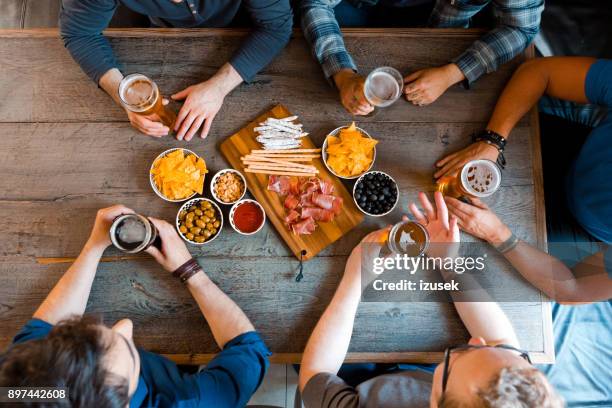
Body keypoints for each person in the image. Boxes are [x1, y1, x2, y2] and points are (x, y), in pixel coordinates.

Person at [298, 191, 563, 407]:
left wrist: (355, 276)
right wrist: (450, 264)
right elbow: (500, 341)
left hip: (359, 384)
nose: (477, 341)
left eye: (460, 356)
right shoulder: (506, 389)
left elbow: (313, 378)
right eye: (492, 351)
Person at [0, 205, 270, 407]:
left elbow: (41, 330)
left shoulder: (20, 384)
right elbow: (249, 350)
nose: (126, 325)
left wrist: (95, 245)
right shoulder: (187, 400)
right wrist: (190, 271)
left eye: (93, 331)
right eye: (130, 353)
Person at [60, 0, 292, 141]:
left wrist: (219, 86)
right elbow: (80, 34)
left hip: (244, 23)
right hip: (163, 29)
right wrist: (125, 97)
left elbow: (275, 27)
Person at [299, 0, 543, 115]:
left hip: (440, 26)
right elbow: (315, 3)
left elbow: (521, 28)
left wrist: (454, 72)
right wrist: (341, 72)